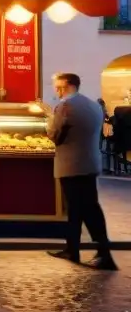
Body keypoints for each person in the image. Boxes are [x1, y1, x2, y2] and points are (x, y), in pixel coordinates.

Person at [47, 73, 118, 270]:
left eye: (57, 86)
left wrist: (49, 119)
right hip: (89, 163)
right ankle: (73, 249)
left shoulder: (65, 106)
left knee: (85, 210)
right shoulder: (93, 105)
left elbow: (54, 135)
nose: (55, 90)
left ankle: (104, 254)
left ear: (66, 86)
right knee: (81, 209)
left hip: (71, 165)